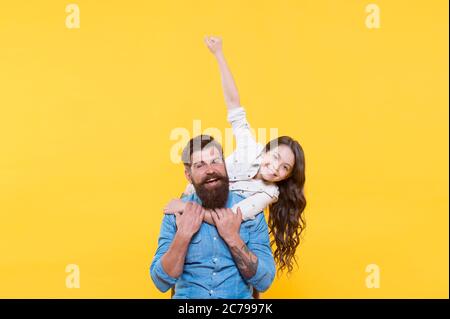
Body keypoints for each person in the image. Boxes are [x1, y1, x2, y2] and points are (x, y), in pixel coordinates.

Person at [164, 36, 307, 274]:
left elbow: (230, 220)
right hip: (197, 200)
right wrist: (219, 54)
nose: (275, 168)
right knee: (181, 262)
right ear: (265, 150)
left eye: (284, 168)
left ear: (287, 176)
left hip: (216, 222)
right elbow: (234, 104)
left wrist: (184, 208)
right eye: (274, 157)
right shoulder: (249, 146)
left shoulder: (270, 192)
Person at [150, 135, 276, 298]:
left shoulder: (250, 212)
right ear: (188, 175)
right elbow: (160, 282)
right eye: (200, 165)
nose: (210, 170)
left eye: (215, 161)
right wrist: (183, 235)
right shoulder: (176, 213)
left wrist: (232, 238)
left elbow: (264, 281)